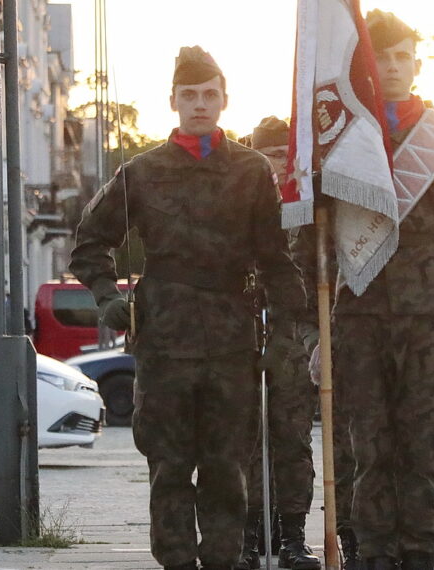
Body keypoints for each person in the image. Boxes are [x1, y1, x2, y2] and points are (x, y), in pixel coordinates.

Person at [69, 46, 312, 570]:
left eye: (209, 95)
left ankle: (223, 560)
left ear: (224, 101)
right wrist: (108, 296)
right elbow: (89, 241)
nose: (199, 104)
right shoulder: (142, 173)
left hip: (231, 339)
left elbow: (275, 260)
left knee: (227, 467)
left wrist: (285, 336)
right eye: (189, 96)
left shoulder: (251, 171)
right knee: (169, 466)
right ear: (173, 102)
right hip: (165, 338)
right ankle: (176, 561)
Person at [298, 10, 434, 569]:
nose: (396, 66)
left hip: (428, 317)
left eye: (404, 56)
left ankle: (423, 550)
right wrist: (317, 323)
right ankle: (376, 551)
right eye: (384, 58)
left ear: (418, 64)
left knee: (425, 444)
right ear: (368, 68)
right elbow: (312, 241)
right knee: (369, 445)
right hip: (360, 315)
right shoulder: (343, 139)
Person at [236, 116, 322, 570]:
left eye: (280, 156)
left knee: (292, 440)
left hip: (290, 337)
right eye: (265, 156)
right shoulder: (237, 202)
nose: (273, 166)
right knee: (245, 440)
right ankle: (248, 537)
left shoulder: (304, 208)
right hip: (245, 334)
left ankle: (293, 536)